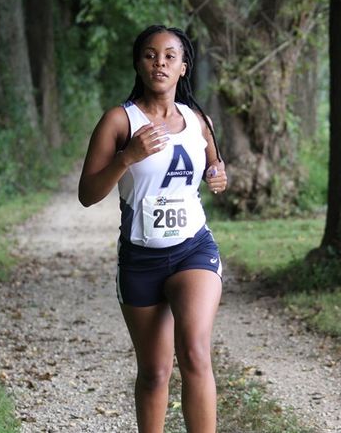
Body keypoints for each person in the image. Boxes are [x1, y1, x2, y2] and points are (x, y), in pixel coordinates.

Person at [78, 24, 228, 433]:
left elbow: (214, 164)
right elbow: (88, 194)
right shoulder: (118, 121)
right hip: (141, 259)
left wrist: (218, 174)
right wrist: (127, 157)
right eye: (150, 54)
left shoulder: (198, 120)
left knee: (195, 352)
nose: (159, 62)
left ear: (183, 67)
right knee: (155, 373)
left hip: (192, 249)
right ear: (139, 63)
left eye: (169, 56)